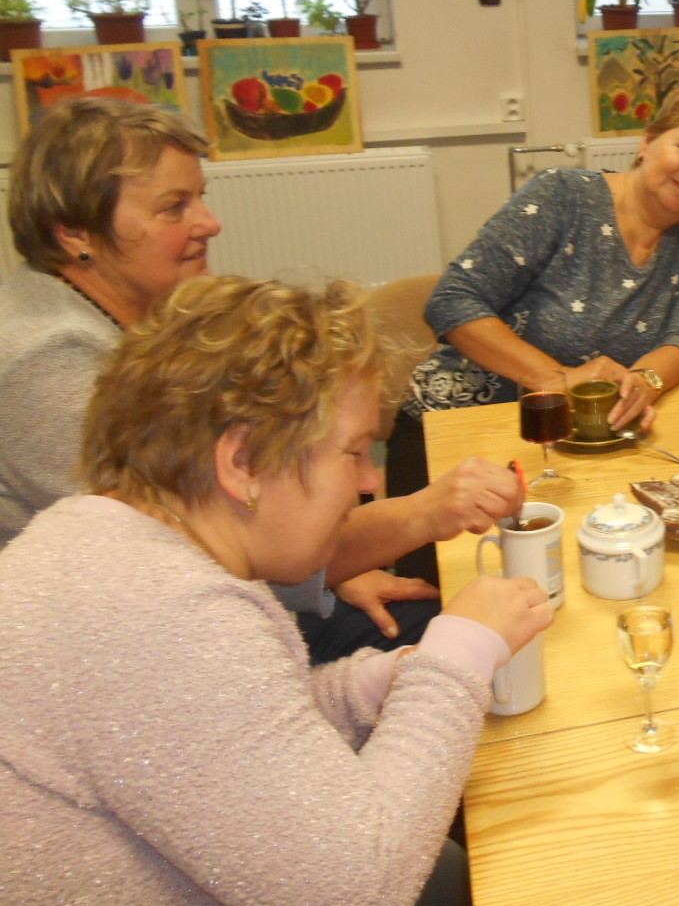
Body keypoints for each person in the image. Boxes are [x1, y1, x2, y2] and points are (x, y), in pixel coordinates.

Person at [0, 275, 554, 906]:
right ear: (242, 462)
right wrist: (456, 658)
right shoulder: (158, 616)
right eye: (353, 453)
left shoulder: (116, 547)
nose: (368, 481)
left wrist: (375, 685)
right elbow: (355, 897)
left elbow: (229, 741)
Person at [0, 97, 520, 658]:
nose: (209, 223)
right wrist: (421, 514)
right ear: (74, 232)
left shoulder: (109, 316)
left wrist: (336, 568)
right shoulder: (46, 361)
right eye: (174, 208)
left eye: (200, 197)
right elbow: (178, 564)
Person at [390, 81, 679, 501]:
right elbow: (452, 300)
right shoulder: (563, 196)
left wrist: (644, 381)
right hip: (461, 425)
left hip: (573, 448)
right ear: (647, 142)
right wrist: (556, 378)